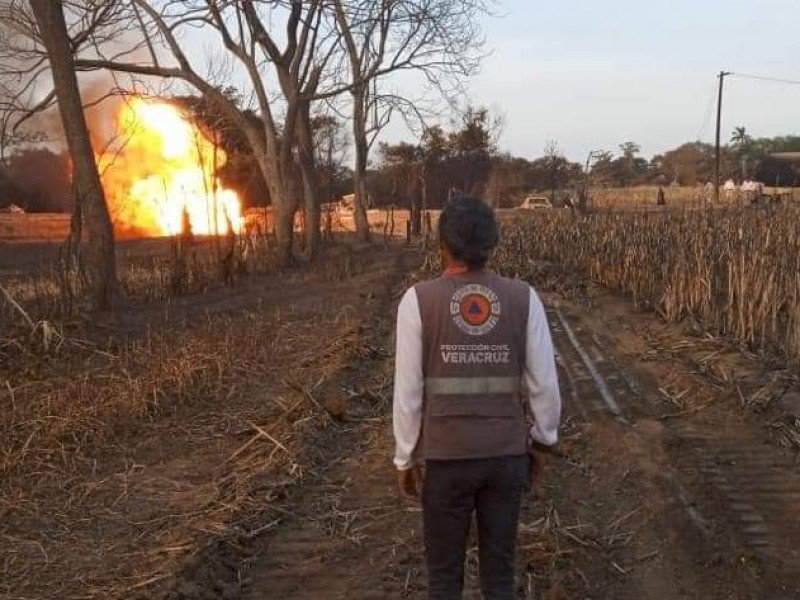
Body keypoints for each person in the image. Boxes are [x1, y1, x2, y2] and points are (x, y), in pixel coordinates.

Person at [392, 196, 562, 600]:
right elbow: (545, 385)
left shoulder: (418, 301)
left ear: (441, 245)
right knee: (500, 577)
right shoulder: (524, 298)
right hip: (505, 460)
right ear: (494, 243)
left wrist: (405, 457)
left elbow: (408, 392)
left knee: (445, 579)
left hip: (445, 463)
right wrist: (542, 441)